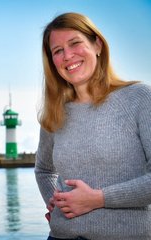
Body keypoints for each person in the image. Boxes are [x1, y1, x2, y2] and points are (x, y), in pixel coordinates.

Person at [35, 12, 151, 239]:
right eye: (58, 51)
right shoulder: (55, 112)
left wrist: (98, 198)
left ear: (97, 44)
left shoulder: (139, 98)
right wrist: (58, 202)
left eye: (75, 43)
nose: (67, 55)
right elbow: (44, 170)